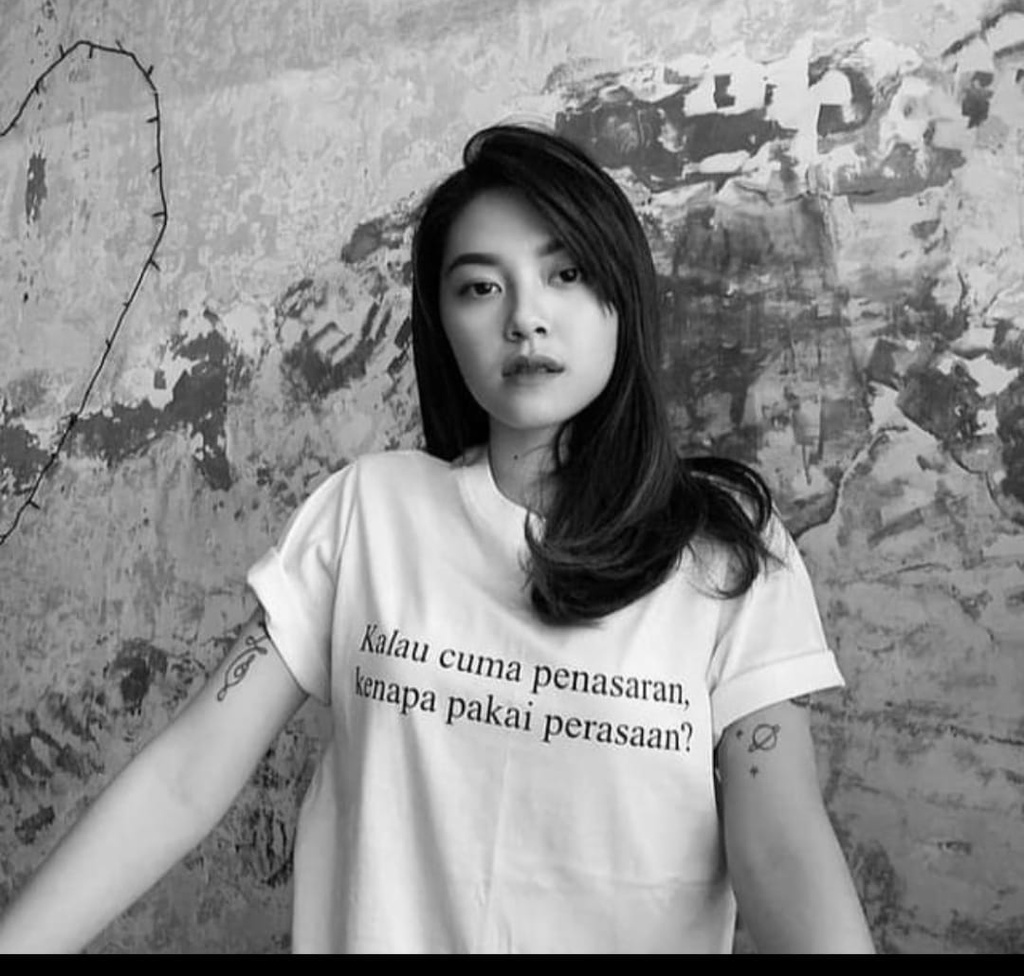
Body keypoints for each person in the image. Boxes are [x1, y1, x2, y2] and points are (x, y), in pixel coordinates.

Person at [0, 123, 875, 954]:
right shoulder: (369, 515)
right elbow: (186, 776)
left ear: (622, 297)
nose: (525, 317)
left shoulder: (723, 555)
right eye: (480, 287)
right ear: (443, 323)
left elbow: (780, 848)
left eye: (566, 273)